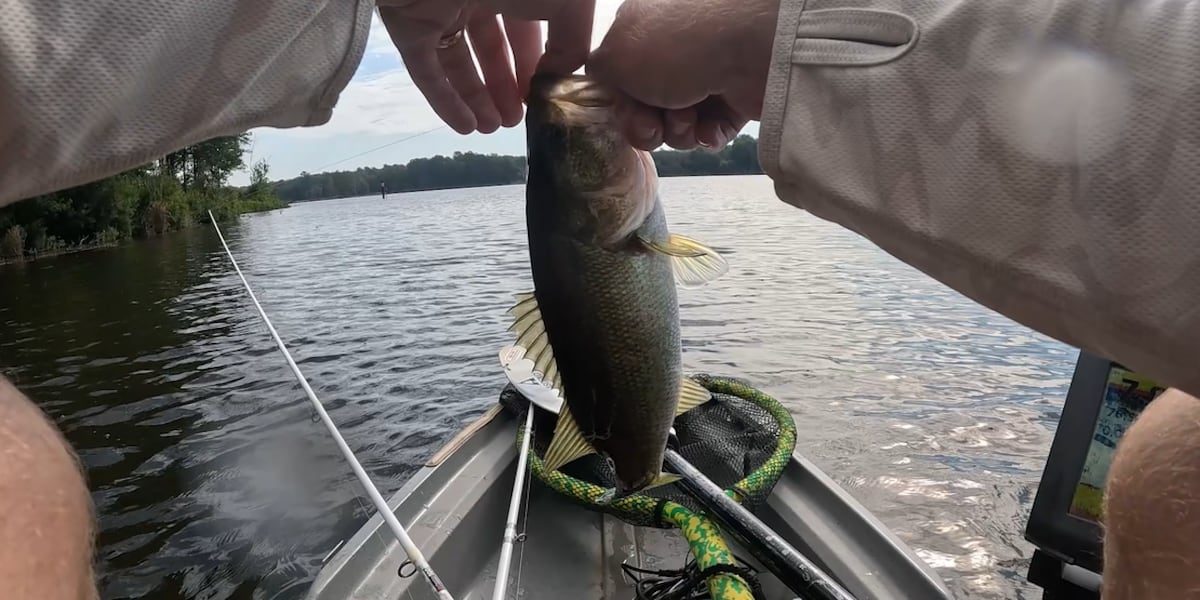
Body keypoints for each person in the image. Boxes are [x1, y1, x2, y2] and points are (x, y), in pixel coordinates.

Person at [0, 0, 1197, 598]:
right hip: (631, 377)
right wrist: (775, 36)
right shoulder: (621, 217)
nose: (569, 123)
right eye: (559, 142)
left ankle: (634, 471)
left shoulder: (612, 217)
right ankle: (638, 472)